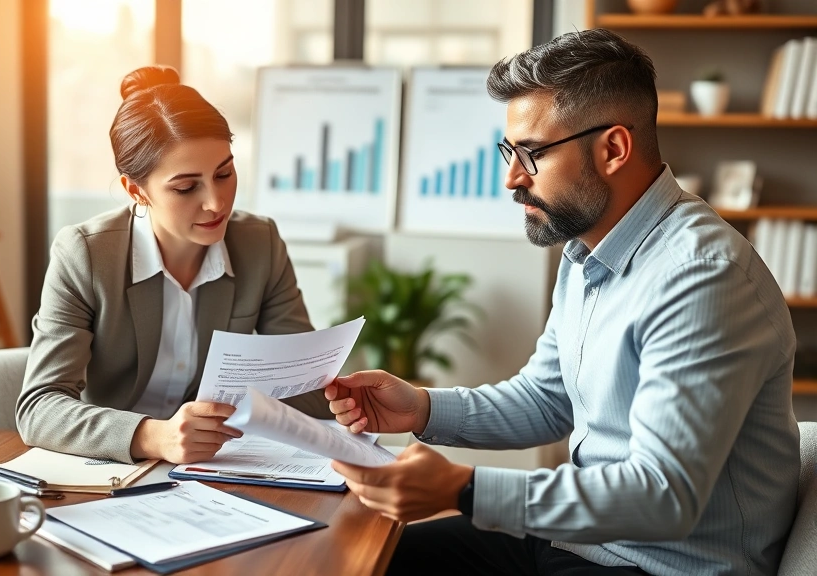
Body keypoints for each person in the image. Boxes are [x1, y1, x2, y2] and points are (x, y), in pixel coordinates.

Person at [325, 29, 798, 576]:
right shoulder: (586, 249)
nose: (511, 178)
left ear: (613, 149)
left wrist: (463, 488)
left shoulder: (702, 277)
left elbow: (664, 495)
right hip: (577, 541)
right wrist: (422, 408)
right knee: (361, 561)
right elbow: (548, 399)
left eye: (531, 154)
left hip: (658, 566)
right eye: (509, 151)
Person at [17, 65, 329, 465]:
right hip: (115, 470)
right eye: (186, 187)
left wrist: (343, 394)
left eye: (224, 173)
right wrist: (154, 437)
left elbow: (301, 385)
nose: (216, 203)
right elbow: (39, 407)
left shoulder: (259, 244)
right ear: (136, 190)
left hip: (217, 468)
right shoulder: (85, 256)